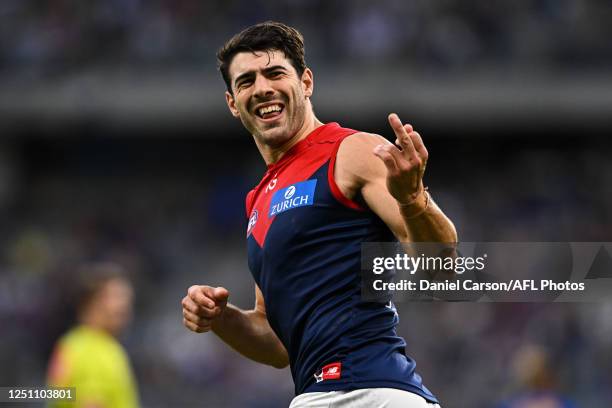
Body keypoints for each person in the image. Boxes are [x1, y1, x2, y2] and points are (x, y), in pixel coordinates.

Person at [182, 21, 457, 407]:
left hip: (374, 392)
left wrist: (413, 198)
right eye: (246, 81)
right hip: (314, 396)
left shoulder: (354, 152)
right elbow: (278, 344)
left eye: (275, 73)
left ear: (306, 82)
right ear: (232, 102)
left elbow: (441, 269)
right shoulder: (257, 200)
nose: (262, 88)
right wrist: (221, 318)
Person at [47, 262, 140, 408]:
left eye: (127, 298)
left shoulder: (70, 345)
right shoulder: (97, 351)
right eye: (116, 297)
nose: (125, 306)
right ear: (90, 302)